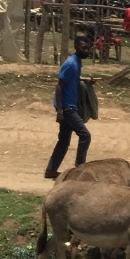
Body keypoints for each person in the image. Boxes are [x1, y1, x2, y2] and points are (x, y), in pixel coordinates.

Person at [44, 37, 94, 179]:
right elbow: (59, 85)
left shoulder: (77, 63)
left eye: (87, 48)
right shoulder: (71, 63)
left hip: (70, 106)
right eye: (83, 48)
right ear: (76, 47)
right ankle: (80, 169)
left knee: (64, 140)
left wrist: (86, 81)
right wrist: (60, 110)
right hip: (67, 108)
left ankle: (51, 170)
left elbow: (72, 80)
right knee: (85, 135)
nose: (86, 51)